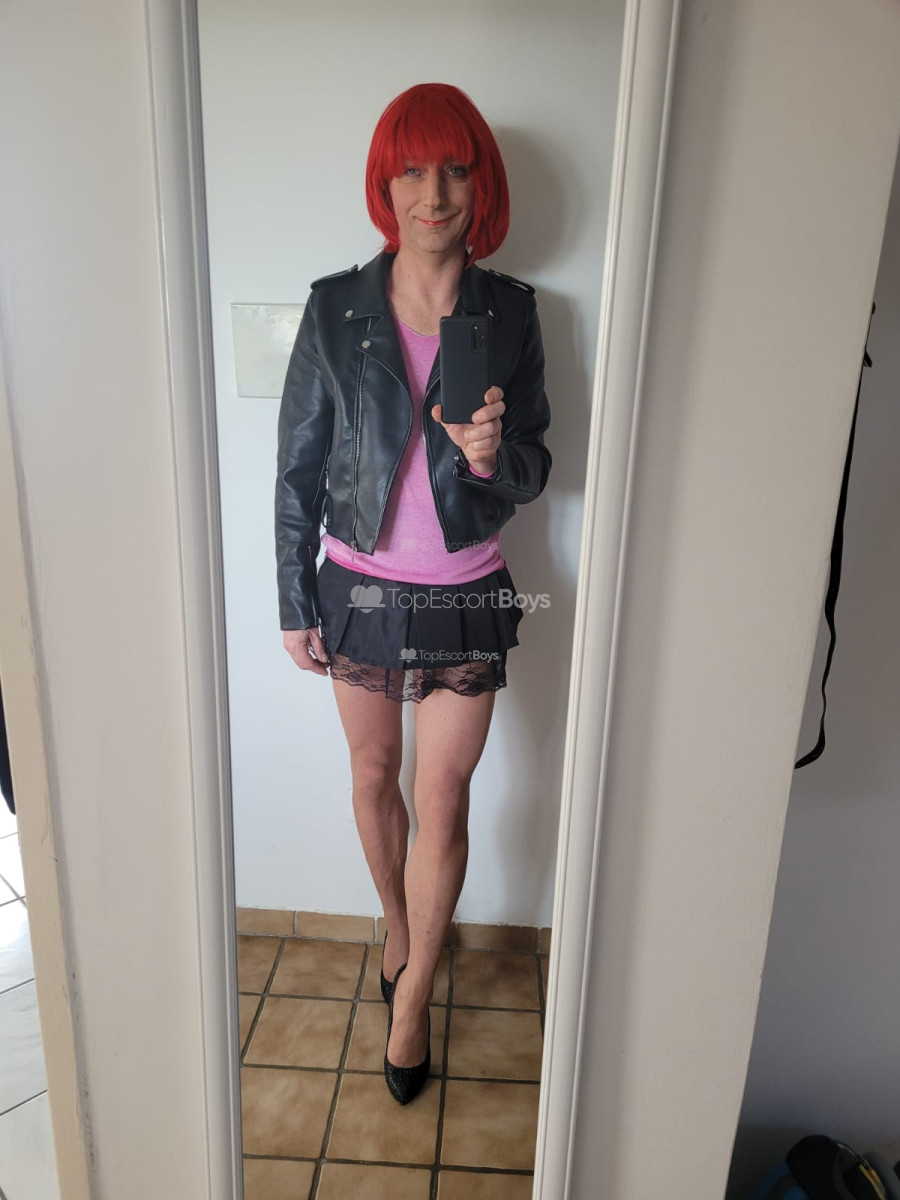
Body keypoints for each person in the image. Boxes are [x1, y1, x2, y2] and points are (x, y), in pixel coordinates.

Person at [275, 82, 551, 1104]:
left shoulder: (511, 312)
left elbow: (535, 465)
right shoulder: (334, 308)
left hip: (463, 593)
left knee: (444, 797)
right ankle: (399, 925)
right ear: (386, 185)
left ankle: (415, 993)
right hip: (356, 589)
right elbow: (297, 468)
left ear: (481, 183)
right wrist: (292, 598)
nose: (434, 194)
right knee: (371, 775)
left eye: (455, 169)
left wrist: (489, 456)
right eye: (412, 171)